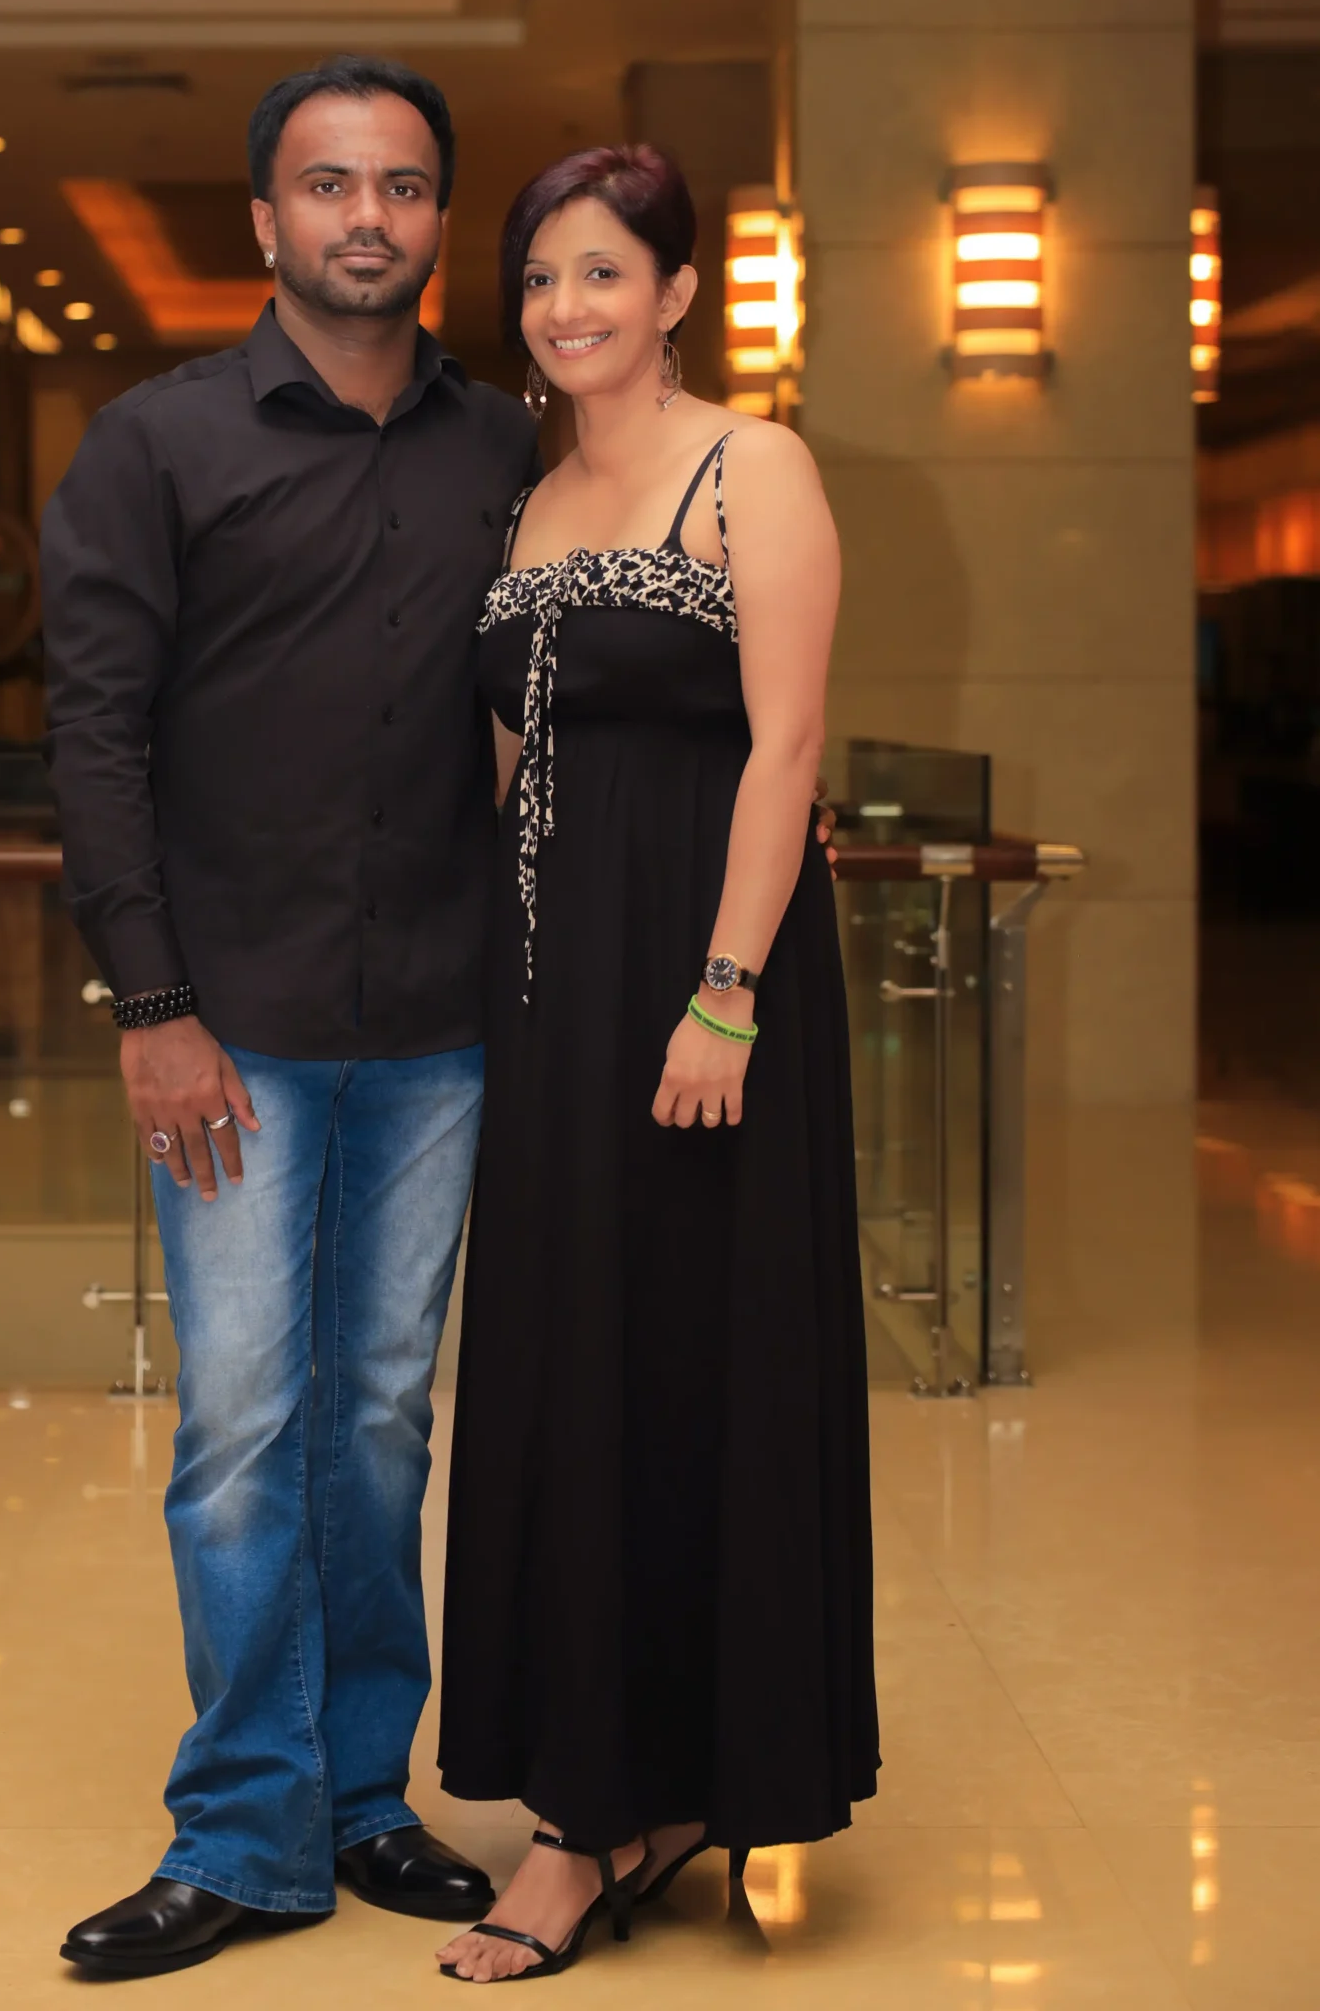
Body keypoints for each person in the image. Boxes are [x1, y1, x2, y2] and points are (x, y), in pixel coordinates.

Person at [41, 56, 535, 1977]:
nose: (365, 217)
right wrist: (151, 1004)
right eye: (328, 184)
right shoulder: (152, 446)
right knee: (247, 1423)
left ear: (437, 220)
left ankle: (358, 1798)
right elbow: (95, 739)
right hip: (227, 1018)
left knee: (383, 1415)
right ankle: (244, 1832)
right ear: (264, 219)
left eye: (401, 186)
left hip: (440, 1017)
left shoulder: (504, 448)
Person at [435, 146, 879, 1983]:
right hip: (549, 999)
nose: (566, 308)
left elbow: (785, 747)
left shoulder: (748, 466)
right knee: (567, 1365)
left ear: (679, 292)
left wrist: (724, 993)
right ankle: (609, 1788)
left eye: (603, 272)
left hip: (705, 982)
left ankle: (620, 1815)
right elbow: (512, 765)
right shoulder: (531, 494)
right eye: (541, 278)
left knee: (698, 1357)